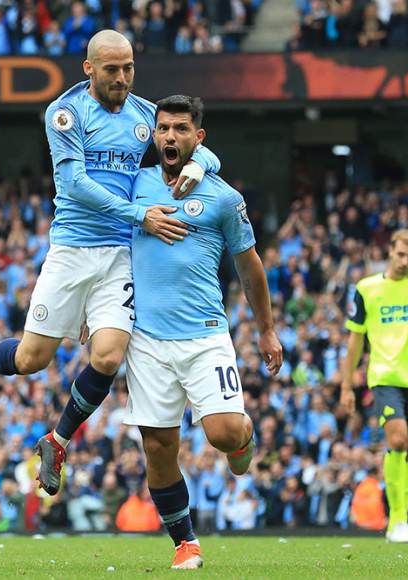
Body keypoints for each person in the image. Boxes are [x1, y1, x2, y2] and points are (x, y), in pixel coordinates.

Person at [0, 29, 222, 496]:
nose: (122, 77)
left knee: (109, 356)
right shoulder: (66, 112)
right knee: (33, 360)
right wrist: (141, 214)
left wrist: (200, 166)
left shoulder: (143, 115)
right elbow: (75, 186)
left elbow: (192, 143)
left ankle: (57, 439)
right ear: (89, 68)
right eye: (112, 69)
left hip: (120, 255)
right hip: (72, 250)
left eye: (129, 67)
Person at [123, 95, 282, 569]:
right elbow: (112, 246)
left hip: (205, 334)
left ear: (198, 137)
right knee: (158, 446)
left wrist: (266, 331)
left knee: (224, 433)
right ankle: (185, 541)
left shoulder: (224, 198)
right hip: (146, 338)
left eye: (180, 129)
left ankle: (245, 433)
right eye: (163, 128)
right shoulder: (135, 185)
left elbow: (249, 267)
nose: (170, 137)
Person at [340, 228, 408, 544]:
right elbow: (355, 341)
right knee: (397, 440)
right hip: (384, 377)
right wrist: (347, 386)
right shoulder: (366, 288)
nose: (405, 260)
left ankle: (402, 516)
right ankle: (397, 519)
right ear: (390, 251)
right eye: (401, 254)